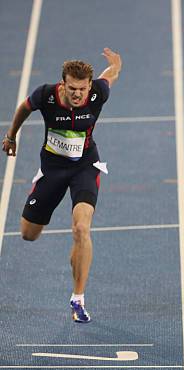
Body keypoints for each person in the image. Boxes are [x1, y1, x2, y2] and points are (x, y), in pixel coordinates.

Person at [2, 48, 122, 323]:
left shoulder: (98, 93)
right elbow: (23, 108)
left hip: (84, 167)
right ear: (62, 84)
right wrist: (11, 136)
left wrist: (116, 64)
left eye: (82, 88)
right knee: (28, 234)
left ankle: (78, 298)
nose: (78, 94)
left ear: (89, 86)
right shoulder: (46, 94)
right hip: (53, 170)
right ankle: (76, 256)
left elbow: (110, 75)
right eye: (72, 89)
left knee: (81, 227)